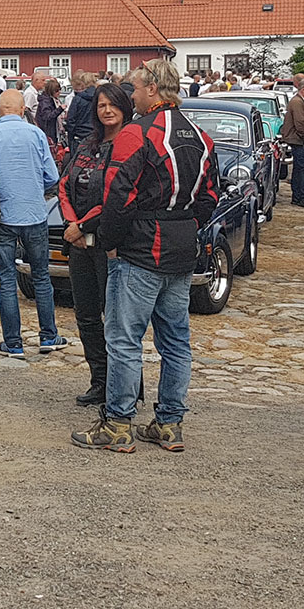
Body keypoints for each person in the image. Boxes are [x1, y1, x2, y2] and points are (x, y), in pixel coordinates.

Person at [72, 58, 219, 453]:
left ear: (152, 88)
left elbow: (116, 195)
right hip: (180, 247)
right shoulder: (201, 136)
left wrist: (109, 241)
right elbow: (210, 196)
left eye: (135, 88)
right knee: (175, 341)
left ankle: (118, 423)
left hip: (141, 249)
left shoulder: (136, 133)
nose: (131, 95)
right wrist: (186, 225)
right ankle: (169, 423)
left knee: (123, 340)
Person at [0, 89, 63, 357]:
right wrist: (33, 188)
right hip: (35, 213)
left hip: (3, 216)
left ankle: (13, 343)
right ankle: (49, 336)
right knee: (42, 277)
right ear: (23, 110)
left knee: (7, 280)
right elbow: (52, 175)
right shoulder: (36, 134)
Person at [59, 82, 134, 406]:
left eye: (112, 104)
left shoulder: (129, 144)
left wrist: (83, 225)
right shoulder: (86, 145)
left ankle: (126, 386)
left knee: (117, 321)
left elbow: (115, 196)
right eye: (101, 105)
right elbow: (64, 184)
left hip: (111, 244)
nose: (107, 110)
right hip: (79, 244)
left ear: (124, 107)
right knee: (86, 316)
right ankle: (99, 381)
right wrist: (71, 223)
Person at [282, 79, 304, 206]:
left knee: (300, 168)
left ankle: (299, 195)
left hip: (297, 139)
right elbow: (299, 122)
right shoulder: (297, 102)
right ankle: (301, 196)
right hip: (298, 140)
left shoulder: (298, 101)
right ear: (303, 90)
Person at [35, 78, 63, 144]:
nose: (59, 93)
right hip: (47, 132)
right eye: (57, 91)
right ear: (52, 91)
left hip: (51, 131)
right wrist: (60, 109)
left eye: (59, 90)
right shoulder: (45, 102)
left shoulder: (51, 100)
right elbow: (47, 116)